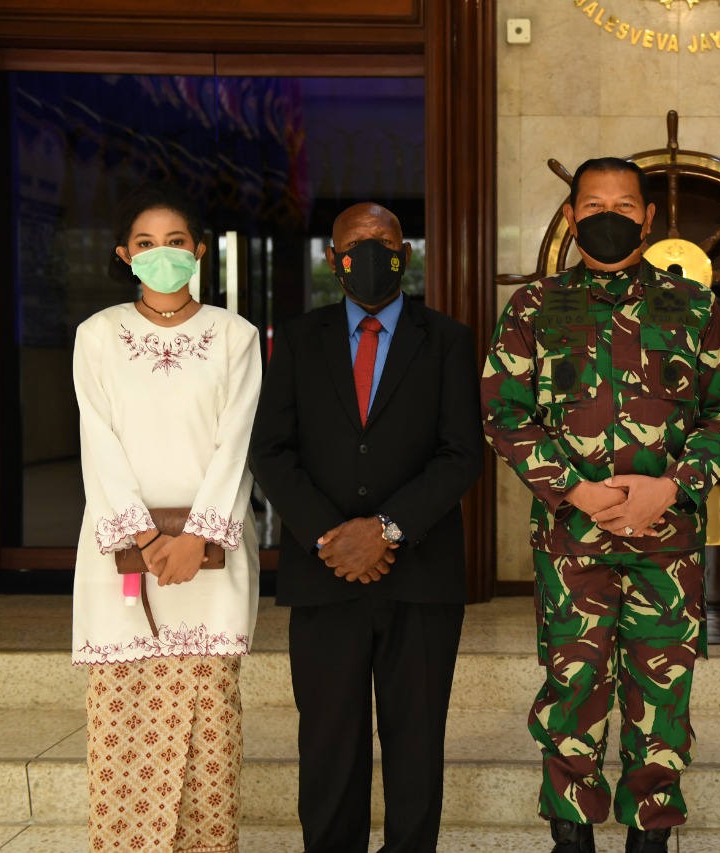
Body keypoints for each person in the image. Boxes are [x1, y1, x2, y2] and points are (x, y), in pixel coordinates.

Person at [481, 157, 720, 853]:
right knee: (572, 688)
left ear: (648, 218)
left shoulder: (692, 306)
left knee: (661, 701)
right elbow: (503, 412)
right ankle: (570, 835)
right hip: (573, 541)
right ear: (570, 216)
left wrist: (674, 484)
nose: (608, 214)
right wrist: (574, 488)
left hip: (667, 539)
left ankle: (649, 837)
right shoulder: (535, 307)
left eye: (624, 204)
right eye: (592, 203)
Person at [248, 202, 482, 853]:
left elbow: (462, 452)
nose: (371, 254)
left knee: (415, 740)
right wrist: (332, 534)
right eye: (356, 245)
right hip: (323, 576)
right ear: (333, 258)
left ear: (405, 251)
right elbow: (271, 449)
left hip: (422, 576)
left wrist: (387, 527)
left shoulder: (448, 339)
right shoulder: (297, 337)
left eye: (384, 241)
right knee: (328, 740)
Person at [72, 181, 261, 852]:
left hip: (210, 559)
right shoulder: (97, 335)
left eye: (175, 243)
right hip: (122, 561)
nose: (162, 256)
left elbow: (236, 445)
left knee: (209, 729)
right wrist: (150, 537)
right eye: (146, 245)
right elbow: (98, 443)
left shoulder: (236, 336)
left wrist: (198, 539)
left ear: (200, 252)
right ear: (125, 255)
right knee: (121, 727)